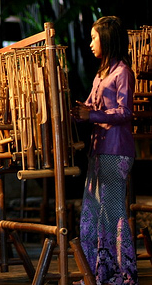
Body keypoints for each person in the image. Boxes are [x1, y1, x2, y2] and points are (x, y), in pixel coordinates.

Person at [71, 16, 138, 284]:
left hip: (116, 150)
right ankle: (97, 272)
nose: (90, 43)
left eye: (94, 37)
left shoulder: (123, 73)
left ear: (107, 39)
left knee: (111, 213)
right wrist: (76, 112)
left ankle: (120, 274)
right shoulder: (101, 74)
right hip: (99, 150)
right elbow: (90, 107)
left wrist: (92, 116)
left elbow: (125, 112)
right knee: (93, 211)